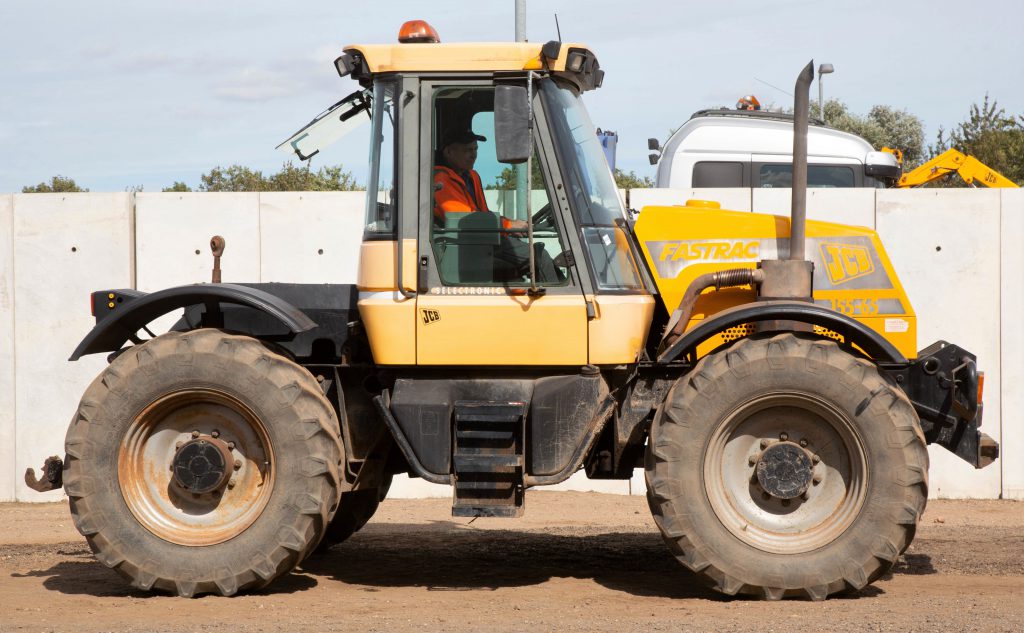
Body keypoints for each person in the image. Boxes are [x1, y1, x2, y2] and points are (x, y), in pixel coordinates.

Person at [433, 128, 559, 283]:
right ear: (448, 152)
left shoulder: (471, 176)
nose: (473, 155)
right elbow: (466, 221)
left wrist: (510, 224)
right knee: (539, 256)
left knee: (518, 274)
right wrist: (507, 226)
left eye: (475, 149)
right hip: (466, 247)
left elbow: (483, 213)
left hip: (481, 240)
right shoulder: (441, 180)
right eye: (467, 150)